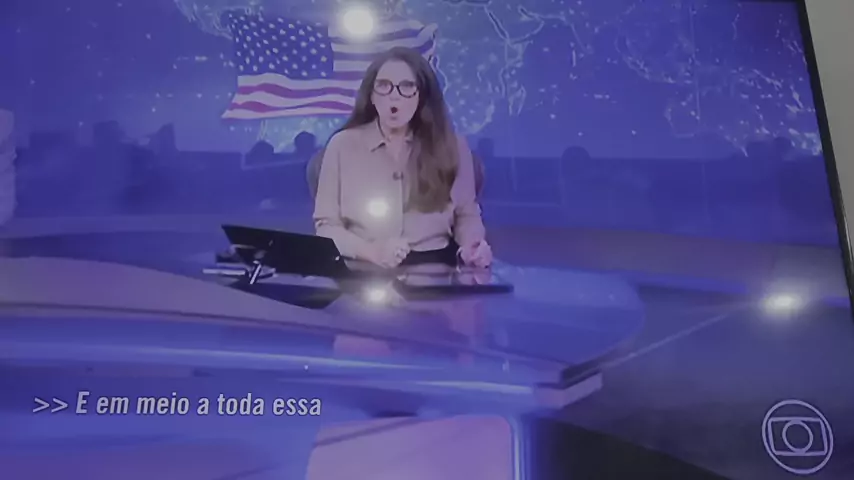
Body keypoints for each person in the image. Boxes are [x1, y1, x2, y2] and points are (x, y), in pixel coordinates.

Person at [313, 46, 492, 268]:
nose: (394, 96)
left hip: (436, 270)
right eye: (383, 86)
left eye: (407, 86)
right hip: (362, 266)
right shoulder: (342, 145)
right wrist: (372, 252)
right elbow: (327, 227)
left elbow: (466, 216)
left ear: (422, 97)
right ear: (371, 95)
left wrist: (473, 246)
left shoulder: (452, 146)